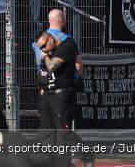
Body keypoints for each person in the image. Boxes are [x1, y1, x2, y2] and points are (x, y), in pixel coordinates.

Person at [34, 31, 94, 167]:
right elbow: (44, 73)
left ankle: (86, 154)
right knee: (46, 132)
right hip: (48, 95)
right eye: (40, 48)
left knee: (63, 132)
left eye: (43, 46)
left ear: (50, 39)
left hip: (63, 95)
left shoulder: (65, 48)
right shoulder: (48, 54)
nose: (42, 50)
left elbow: (52, 66)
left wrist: (46, 56)